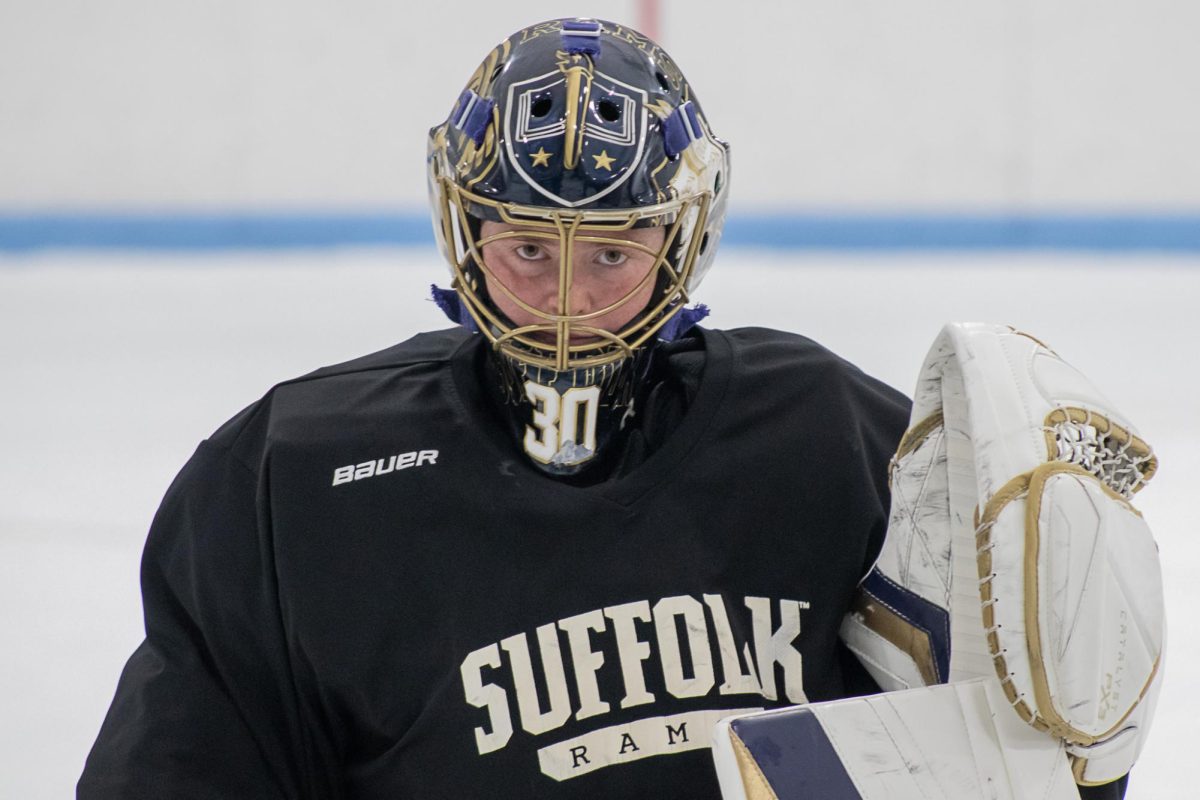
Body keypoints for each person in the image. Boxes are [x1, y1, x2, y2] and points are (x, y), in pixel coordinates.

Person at [79, 18, 1133, 798]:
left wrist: (1071, 744)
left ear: (679, 243)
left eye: (614, 252)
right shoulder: (290, 477)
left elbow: (979, 750)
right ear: (467, 232)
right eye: (530, 247)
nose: (569, 301)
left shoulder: (831, 437)